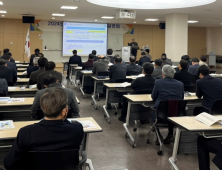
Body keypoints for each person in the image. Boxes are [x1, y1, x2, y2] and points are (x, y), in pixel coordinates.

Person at [4, 87, 84, 170]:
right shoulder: (77, 129)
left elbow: (9, 164)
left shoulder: (26, 132)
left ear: (42, 107)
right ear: (65, 111)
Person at [151, 65, 184, 144]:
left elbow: (153, 97)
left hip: (161, 115)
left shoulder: (158, 82)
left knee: (153, 110)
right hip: (176, 114)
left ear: (163, 74)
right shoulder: (180, 84)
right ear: (173, 74)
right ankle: (170, 134)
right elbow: (181, 98)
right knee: (171, 108)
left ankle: (158, 135)